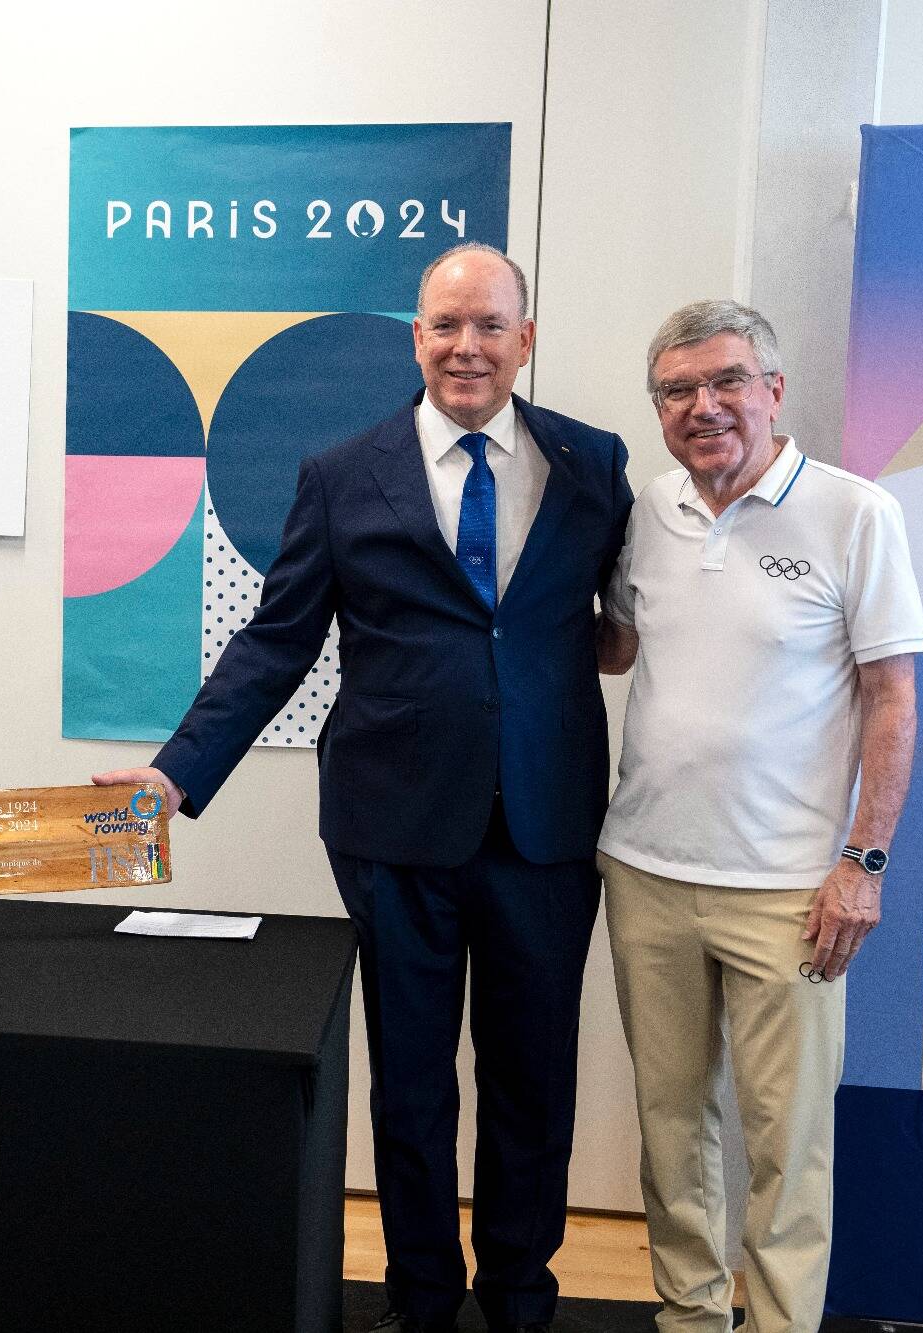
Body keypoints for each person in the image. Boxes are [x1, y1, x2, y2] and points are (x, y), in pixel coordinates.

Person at [96, 243, 633, 1333]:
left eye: (488, 325)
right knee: (412, 1085)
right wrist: (171, 773)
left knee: (533, 1083)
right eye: (443, 325)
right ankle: (422, 1297)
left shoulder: (592, 462)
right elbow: (274, 642)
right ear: (415, 338)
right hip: (395, 828)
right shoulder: (342, 473)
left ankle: (520, 1298)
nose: (465, 346)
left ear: (525, 338)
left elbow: (630, 616)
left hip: (544, 824)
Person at [594, 300, 923, 1333]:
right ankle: (690, 1318)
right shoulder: (648, 509)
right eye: (677, 390)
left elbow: (891, 699)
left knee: (787, 1141)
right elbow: (613, 646)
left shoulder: (852, 513)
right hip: (643, 869)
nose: (704, 407)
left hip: (788, 890)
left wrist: (860, 861)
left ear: (772, 391)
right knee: (667, 1128)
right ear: (656, 408)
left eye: (726, 381)